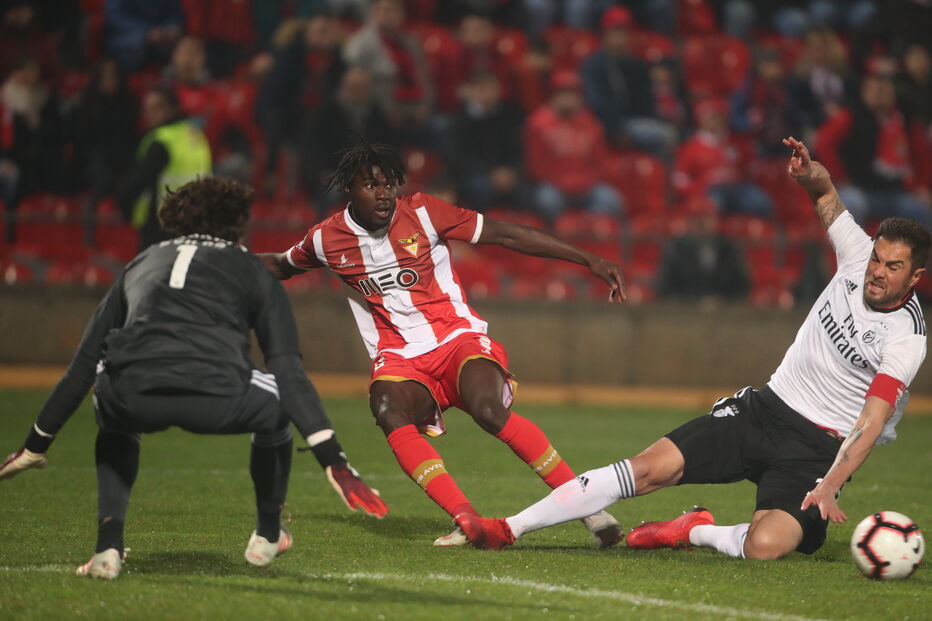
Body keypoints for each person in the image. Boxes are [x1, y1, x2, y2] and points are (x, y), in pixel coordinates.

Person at [464, 136, 929, 556]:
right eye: (876, 258)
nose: (876, 271)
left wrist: (830, 484)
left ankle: (693, 529)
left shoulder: (906, 337)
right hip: (765, 410)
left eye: (893, 266)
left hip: (816, 450)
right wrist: (813, 177)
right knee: (648, 468)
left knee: (767, 545)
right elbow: (827, 196)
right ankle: (508, 527)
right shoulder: (855, 256)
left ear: (915, 277)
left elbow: (871, 421)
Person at [0, 176, 387, 578]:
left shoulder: (142, 261)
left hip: (133, 395)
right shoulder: (250, 268)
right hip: (216, 396)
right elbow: (288, 371)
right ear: (238, 224)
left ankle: (107, 548)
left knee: (107, 393)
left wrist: (35, 444)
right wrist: (334, 461)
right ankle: (268, 532)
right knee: (274, 402)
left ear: (177, 220)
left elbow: (82, 366)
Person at [258, 143, 626, 548]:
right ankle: (466, 519)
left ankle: (587, 506)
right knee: (387, 410)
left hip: (457, 338)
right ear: (349, 188)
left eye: (388, 185)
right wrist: (216, 256)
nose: (383, 194)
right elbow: (280, 265)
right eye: (370, 185)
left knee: (489, 410)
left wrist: (586, 259)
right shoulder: (326, 239)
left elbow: (504, 234)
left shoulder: (423, 211)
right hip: (400, 359)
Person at [115, 86, 212, 250]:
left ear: (172, 109)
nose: (149, 114)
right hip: (195, 225)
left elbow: (137, 182)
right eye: (147, 109)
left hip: (160, 227)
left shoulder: (162, 141)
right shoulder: (196, 136)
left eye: (156, 108)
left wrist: (124, 204)